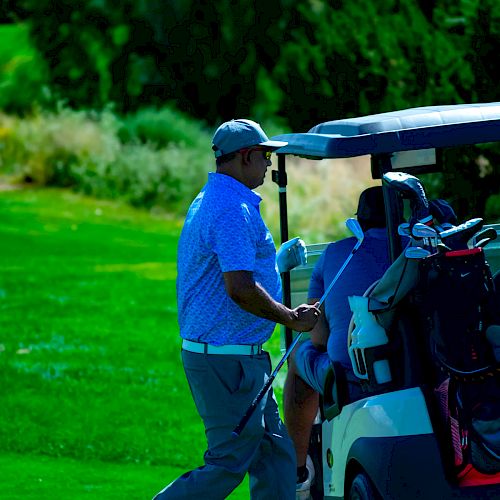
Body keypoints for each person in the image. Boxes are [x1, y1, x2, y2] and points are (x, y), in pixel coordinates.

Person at [153, 119, 321, 500]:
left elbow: (237, 275)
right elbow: (239, 289)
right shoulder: (232, 208)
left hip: (237, 358)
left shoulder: (218, 198)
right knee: (228, 464)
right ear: (246, 156)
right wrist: (290, 317)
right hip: (227, 363)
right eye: (264, 156)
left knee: (275, 453)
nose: (267, 164)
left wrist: (274, 268)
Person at [283, 186, 392, 499]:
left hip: (351, 375)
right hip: (412, 369)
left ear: (358, 220)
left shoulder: (335, 254)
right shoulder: (417, 248)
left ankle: (299, 473)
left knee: (300, 357)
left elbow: (318, 337)